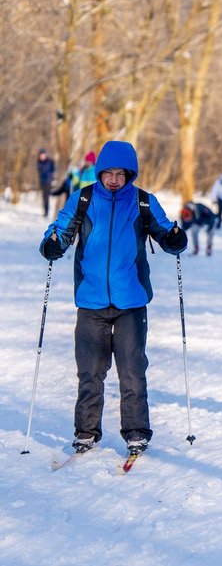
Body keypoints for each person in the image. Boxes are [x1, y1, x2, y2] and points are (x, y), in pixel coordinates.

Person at [38, 140, 187, 455]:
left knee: (132, 369)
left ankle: (136, 431)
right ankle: (86, 432)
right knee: (90, 371)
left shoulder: (143, 202)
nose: (115, 179)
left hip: (131, 302)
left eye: (122, 173)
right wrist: (52, 244)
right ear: (100, 171)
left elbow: (165, 234)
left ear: (130, 174)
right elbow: (61, 231)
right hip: (91, 302)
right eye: (109, 172)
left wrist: (175, 239)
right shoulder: (84, 199)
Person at [37, 148, 56, 217]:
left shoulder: (50, 161)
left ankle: (47, 212)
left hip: (48, 181)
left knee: (47, 196)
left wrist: (51, 177)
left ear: (45, 155)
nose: (41, 156)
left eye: (43, 155)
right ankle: (45, 211)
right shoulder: (39, 162)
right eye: (40, 155)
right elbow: (40, 171)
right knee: (44, 196)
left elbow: (53, 170)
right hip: (42, 181)